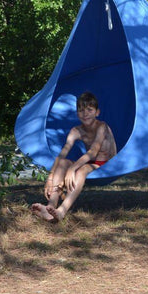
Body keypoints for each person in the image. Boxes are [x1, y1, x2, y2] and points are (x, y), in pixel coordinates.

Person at [31, 91, 117, 223]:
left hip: (109, 164)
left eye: (89, 110)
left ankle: (62, 211)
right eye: (81, 110)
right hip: (91, 162)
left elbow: (93, 152)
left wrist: (72, 169)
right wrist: (50, 178)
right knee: (63, 163)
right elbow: (62, 154)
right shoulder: (76, 131)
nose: (85, 113)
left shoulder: (102, 126)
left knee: (81, 170)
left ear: (97, 112)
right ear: (77, 113)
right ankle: (50, 206)